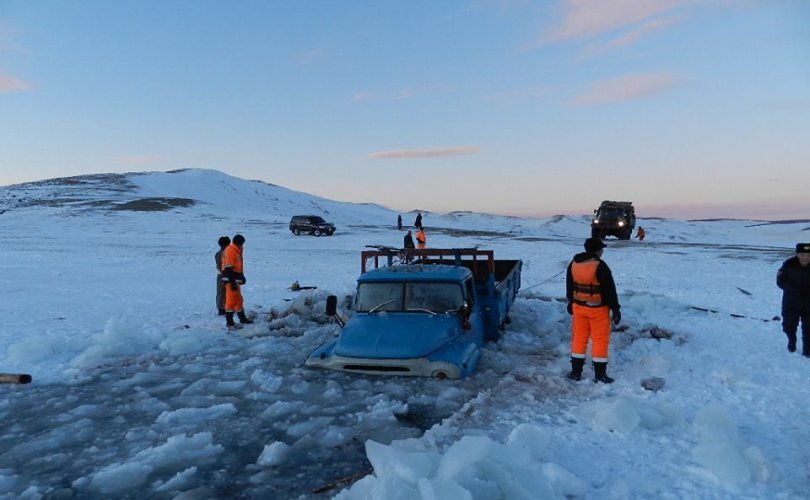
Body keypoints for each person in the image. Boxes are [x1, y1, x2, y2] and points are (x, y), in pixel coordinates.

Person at [566, 237, 621, 383]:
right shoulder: (600, 266)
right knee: (600, 340)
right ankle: (600, 375)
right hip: (598, 310)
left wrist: (570, 302)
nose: (602, 251)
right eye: (601, 248)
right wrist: (615, 308)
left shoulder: (574, 264)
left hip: (579, 308)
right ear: (597, 250)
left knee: (579, 338)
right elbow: (610, 290)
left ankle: (575, 372)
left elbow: (570, 286)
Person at [777, 243, 810, 355]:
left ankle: (807, 350)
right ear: (797, 254)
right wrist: (790, 289)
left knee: (808, 328)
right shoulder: (788, 265)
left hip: (808, 303)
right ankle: (792, 339)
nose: (806, 258)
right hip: (791, 302)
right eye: (803, 255)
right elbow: (780, 281)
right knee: (788, 325)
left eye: (808, 255)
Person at [221, 233, 253, 328]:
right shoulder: (231, 250)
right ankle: (229, 321)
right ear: (238, 243)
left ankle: (242, 318)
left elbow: (238, 266)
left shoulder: (236, 250)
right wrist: (232, 282)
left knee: (238, 300)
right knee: (231, 301)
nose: (242, 246)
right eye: (242, 244)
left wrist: (242, 276)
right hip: (231, 279)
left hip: (235, 279)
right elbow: (228, 268)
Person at [215, 236, 230, 315]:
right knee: (222, 292)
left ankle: (222, 307)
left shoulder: (218, 253)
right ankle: (221, 308)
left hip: (221, 275)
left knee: (221, 292)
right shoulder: (224, 254)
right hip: (224, 275)